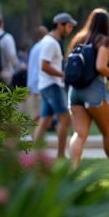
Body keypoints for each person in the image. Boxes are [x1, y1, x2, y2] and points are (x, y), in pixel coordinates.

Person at [66, 9, 109, 174]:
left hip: (74, 91)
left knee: (79, 133)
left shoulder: (78, 38)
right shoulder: (104, 41)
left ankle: (72, 170)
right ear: (106, 24)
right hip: (94, 90)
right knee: (108, 131)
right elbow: (100, 66)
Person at [33, 14, 75, 158]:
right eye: (69, 26)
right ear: (60, 25)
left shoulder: (52, 41)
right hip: (52, 85)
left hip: (47, 85)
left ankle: (34, 154)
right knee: (65, 119)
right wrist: (62, 74)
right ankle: (61, 154)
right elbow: (44, 66)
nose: (70, 29)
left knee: (45, 120)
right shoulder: (51, 43)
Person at [24, 26, 49, 121]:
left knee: (36, 110)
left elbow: (31, 67)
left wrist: (29, 84)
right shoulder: (46, 47)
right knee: (42, 109)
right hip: (42, 81)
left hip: (34, 82)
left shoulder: (34, 48)